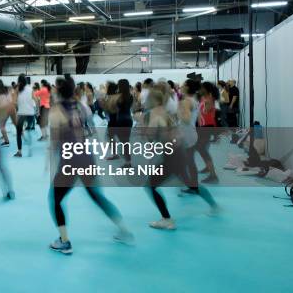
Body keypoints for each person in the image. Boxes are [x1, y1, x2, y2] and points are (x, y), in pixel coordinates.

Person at [48, 77, 133, 254]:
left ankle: (64, 241)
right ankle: (124, 230)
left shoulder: (56, 111)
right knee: (97, 196)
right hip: (86, 157)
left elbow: (55, 141)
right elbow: (92, 131)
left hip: (70, 160)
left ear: (58, 91)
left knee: (55, 200)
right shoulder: (82, 107)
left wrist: (50, 160)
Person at [147, 81, 219, 231]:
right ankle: (214, 205)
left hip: (173, 156)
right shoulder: (165, 112)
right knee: (191, 184)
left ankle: (167, 219)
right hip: (178, 153)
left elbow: (151, 136)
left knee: (150, 185)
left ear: (153, 100)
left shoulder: (156, 114)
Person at [196, 82, 219, 183]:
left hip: (207, 126)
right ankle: (207, 167)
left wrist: (204, 103)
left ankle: (213, 175)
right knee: (204, 148)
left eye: (202, 88)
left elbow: (205, 111)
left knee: (202, 150)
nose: (200, 90)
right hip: (203, 126)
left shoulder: (209, 98)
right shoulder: (204, 98)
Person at [13, 74, 35, 157]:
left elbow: (14, 102)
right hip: (30, 113)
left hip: (21, 113)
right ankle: (30, 149)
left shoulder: (17, 89)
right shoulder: (30, 88)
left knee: (18, 133)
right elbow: (36, 99)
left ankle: (19, 151)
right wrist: (37, 110)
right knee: (29, 131)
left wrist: (18, 107)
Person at [0, 79, 13, 147]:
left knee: (1, 126)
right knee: (2, 126)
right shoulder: (6, 91)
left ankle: (7, 141)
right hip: (8, 109)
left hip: (2, 111)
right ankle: (5, 138)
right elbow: (10, 100)